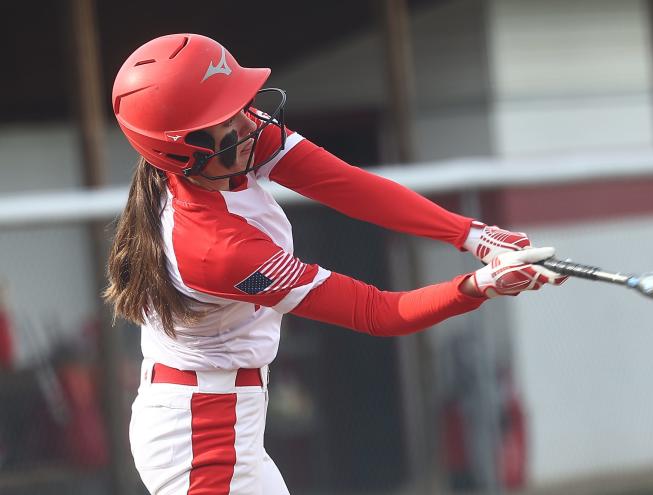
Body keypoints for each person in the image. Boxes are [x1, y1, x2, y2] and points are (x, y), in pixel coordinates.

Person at [103, 33, 565, 494]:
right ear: (183, 149)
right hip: (204, 439)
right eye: (222, 119)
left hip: (217, 416)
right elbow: (377, 312)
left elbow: (347, 185)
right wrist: (480, 285)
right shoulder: (218, 248)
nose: (247, 124)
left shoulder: (221, 148)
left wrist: (476, 236)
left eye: (238, 105)